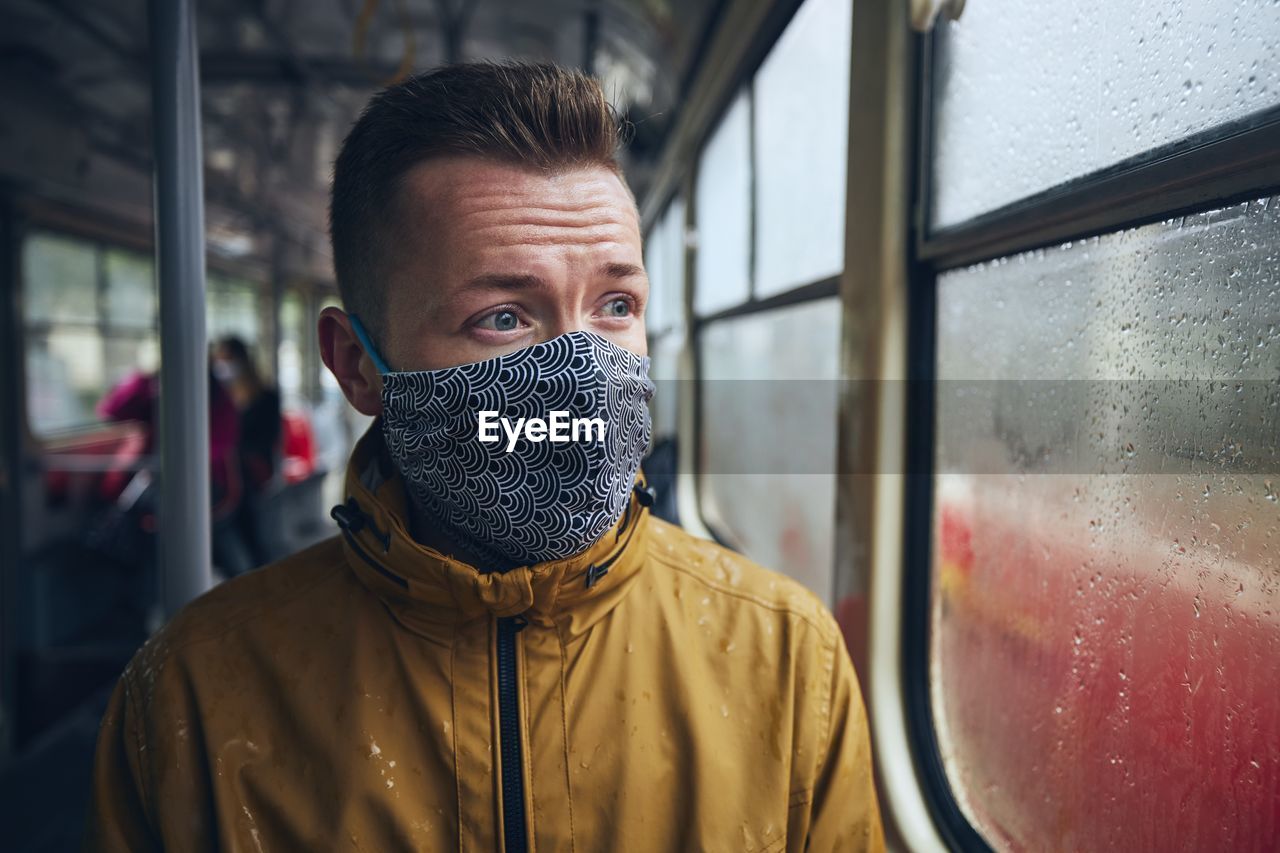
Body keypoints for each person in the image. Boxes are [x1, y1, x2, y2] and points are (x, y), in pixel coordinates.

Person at [85, 62, 885, 851]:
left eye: (616, 306)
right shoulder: (196, 696)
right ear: (358, 364)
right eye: (502, 316)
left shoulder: (784, 658)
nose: (582, 374)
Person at [212, 335, 283, 566]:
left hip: (252, 478)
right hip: (227, 478)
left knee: (255, 535)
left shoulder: (266, 397)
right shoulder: (220, 398)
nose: (222, 366)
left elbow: (269, 438)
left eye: (227, 359)